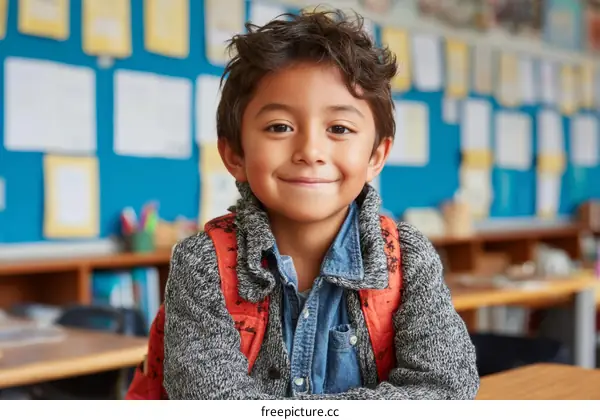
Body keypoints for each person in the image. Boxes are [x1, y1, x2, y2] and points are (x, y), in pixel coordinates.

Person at [160, 9, 479, 400]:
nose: (311, 151)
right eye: (280, 127)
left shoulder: (408, 258)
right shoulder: (203, 263)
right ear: (234, 155)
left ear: (376, 156)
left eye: (339, 129)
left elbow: (445, 388)